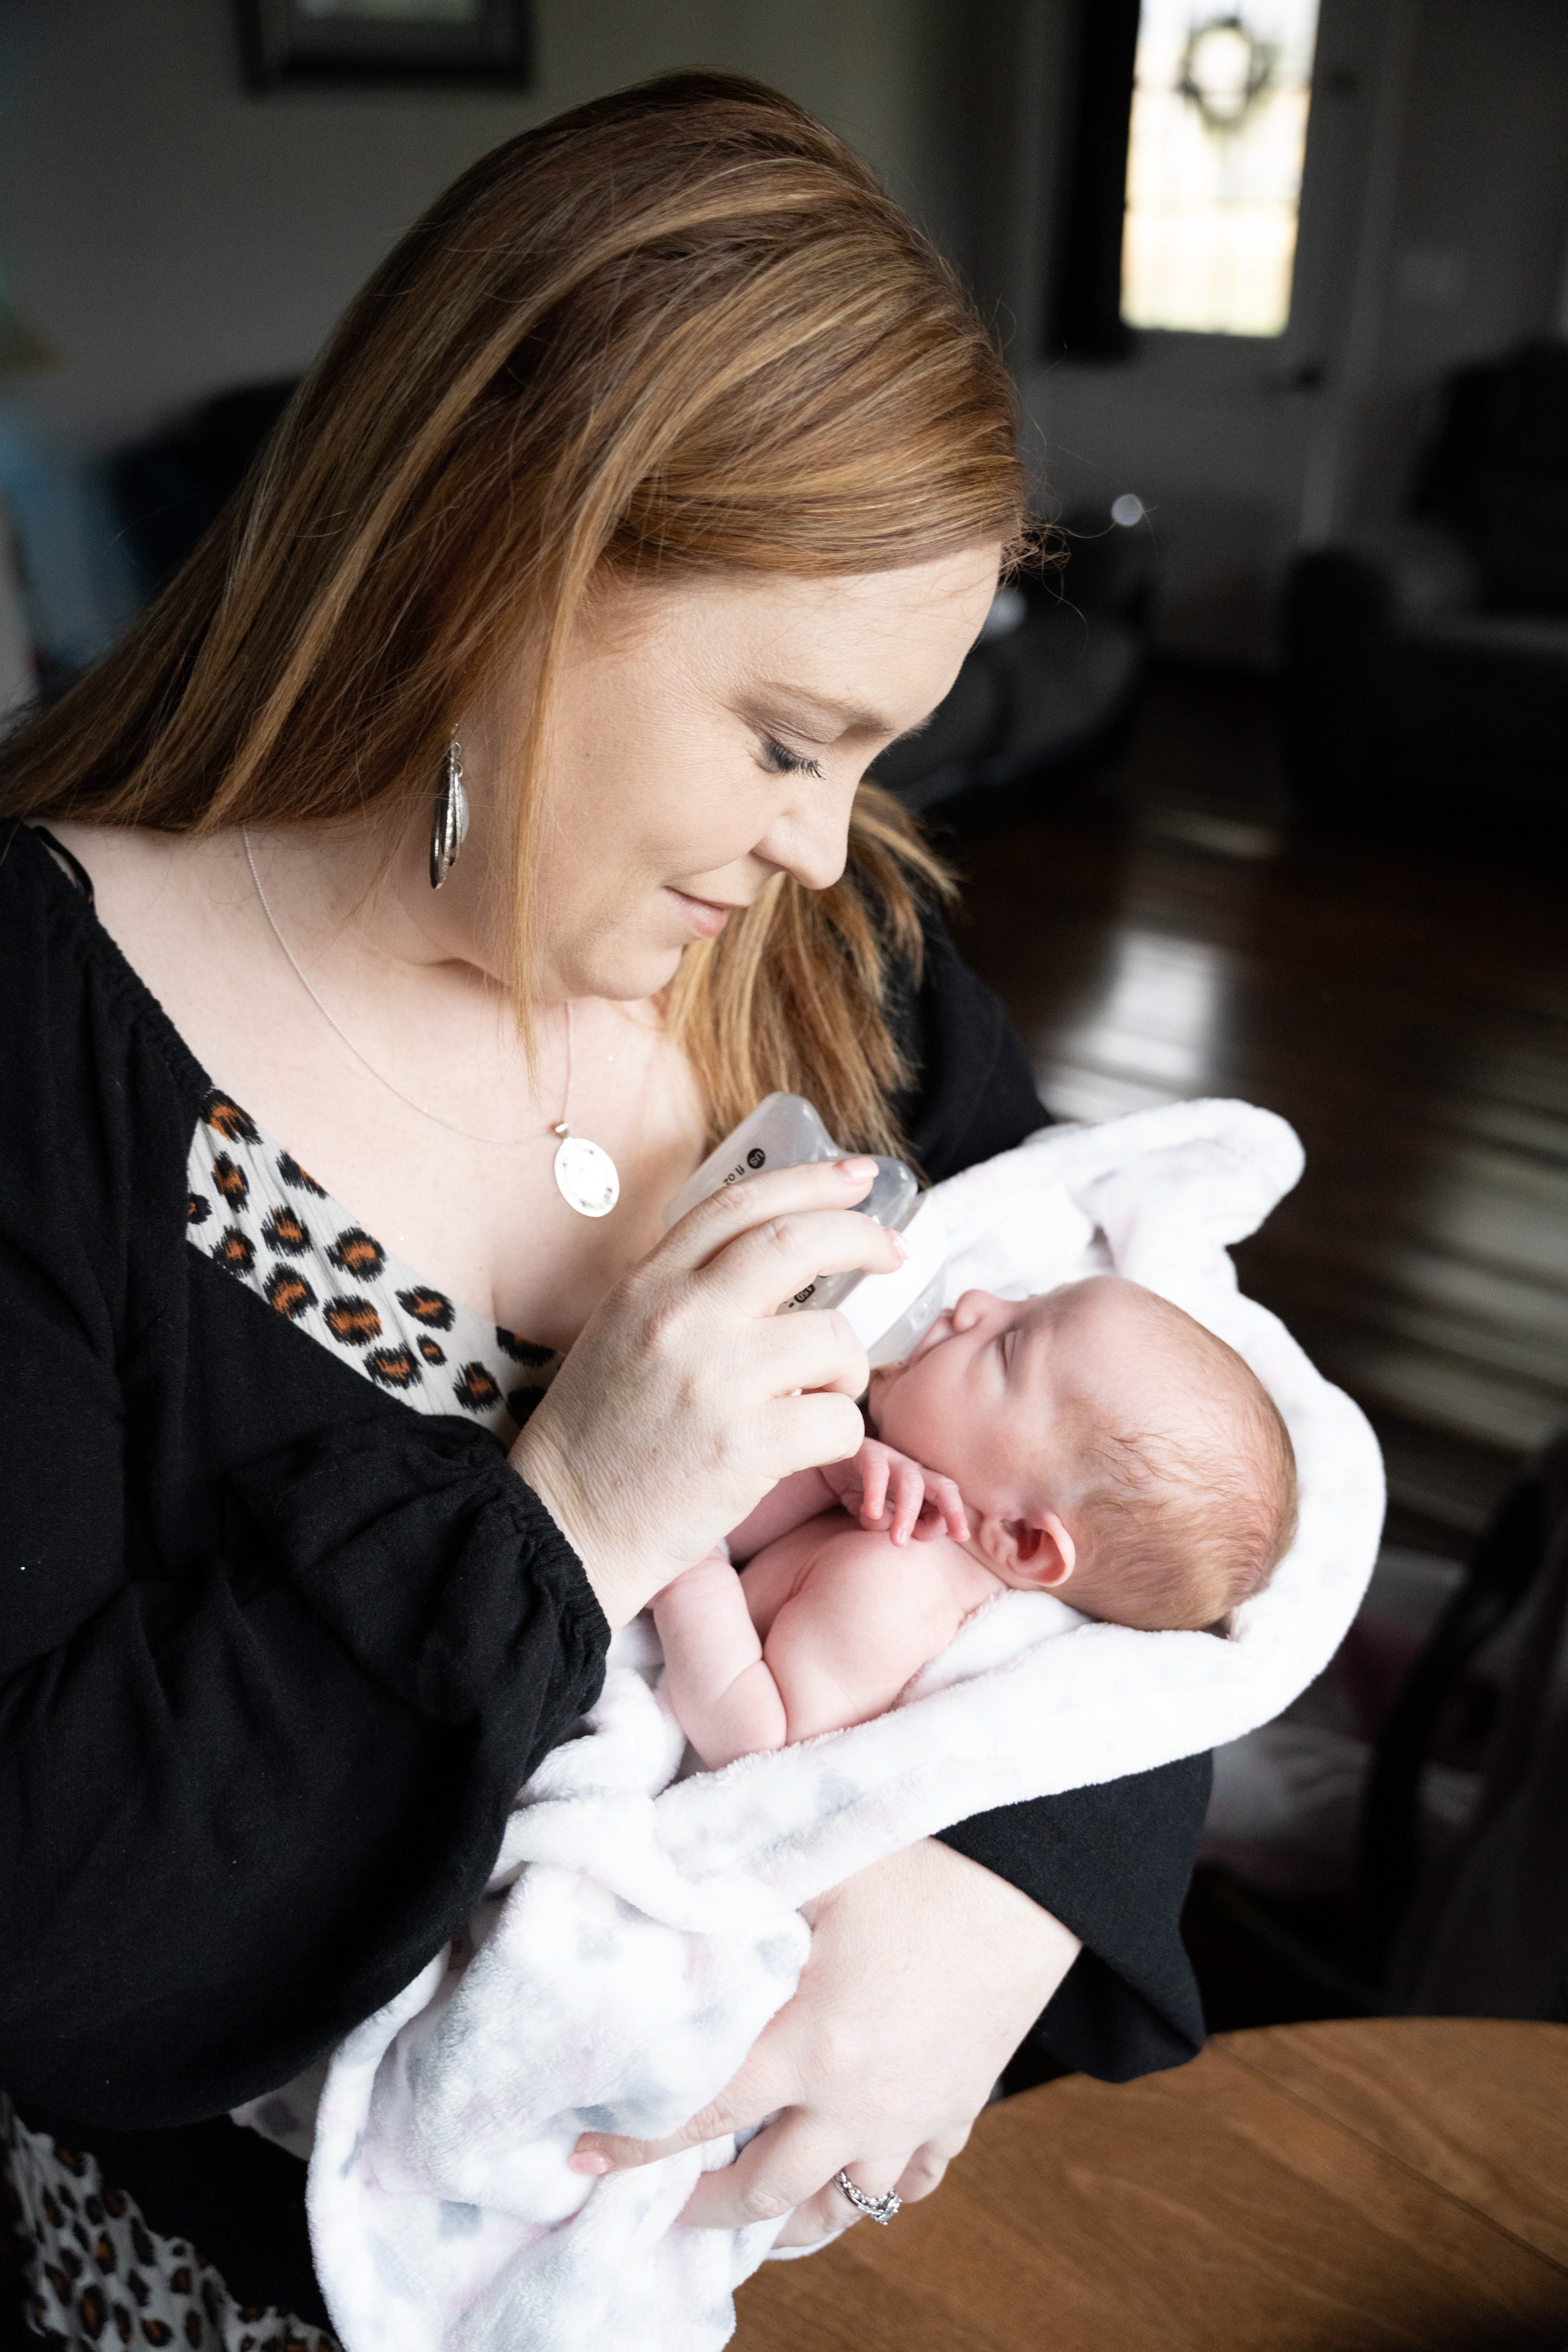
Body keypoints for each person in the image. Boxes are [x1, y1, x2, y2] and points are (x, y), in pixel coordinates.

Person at [0, 72, 1211, 2349]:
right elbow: (50, 1936)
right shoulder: (45, 1038)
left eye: (878, 753)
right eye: (784, 738)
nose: (830, 845)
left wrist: (1002, 1885)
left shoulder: (840, 979)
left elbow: (1182, 1473)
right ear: (501, 557)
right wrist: (563, 1515)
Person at [653, 1275, 1299, 1769]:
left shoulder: (891, 1593)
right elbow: (727, 1510)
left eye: (1008, 1347)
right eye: (1022, 1301)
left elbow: (756, 1737)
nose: (975, 1301)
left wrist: (689, 1570)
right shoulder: (897, 1492)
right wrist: (825, 1468)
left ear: (1021, 1538)